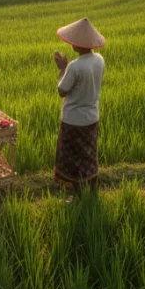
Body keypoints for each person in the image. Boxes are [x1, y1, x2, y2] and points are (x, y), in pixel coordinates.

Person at [52, 17, 106, 199]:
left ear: (78, 44)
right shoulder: (99, 60)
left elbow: (62, 91)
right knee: (89, 155)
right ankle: (92, 191)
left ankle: (77, 196)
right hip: (91, 117)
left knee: (71, 159)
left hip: (73, 120)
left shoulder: (75, 67)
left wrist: (62, 69)